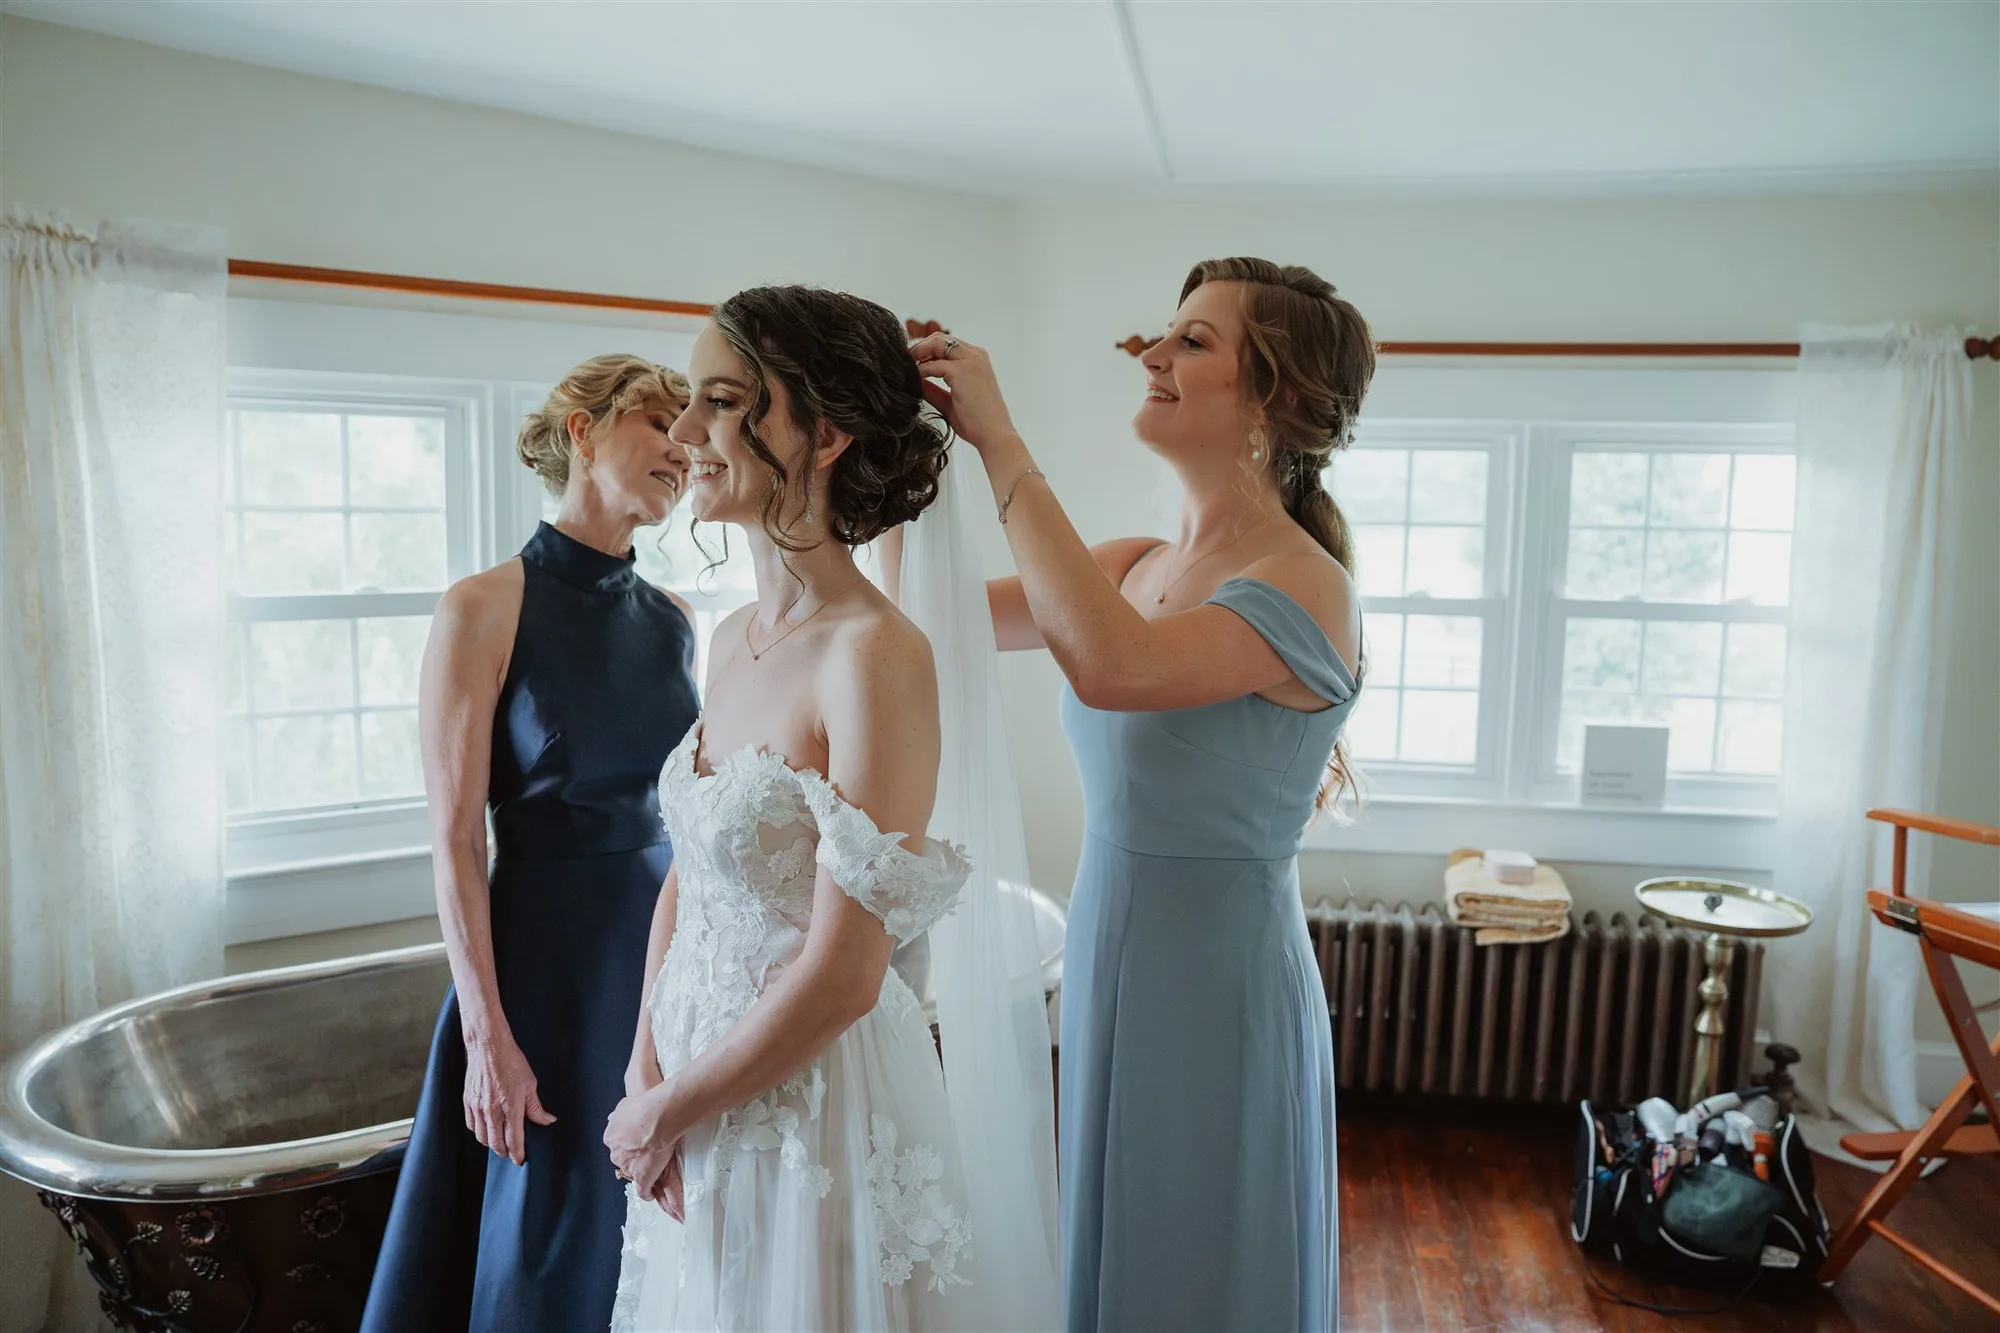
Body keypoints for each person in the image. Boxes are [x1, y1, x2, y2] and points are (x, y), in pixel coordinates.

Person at [910, 256, 1371, 1332]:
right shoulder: (1127, 563)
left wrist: (1002, 443)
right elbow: (926, 622)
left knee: (1197, 1255)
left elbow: (1113, 668)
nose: (1153, 356)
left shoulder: (1306, 586)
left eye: (1192, 342)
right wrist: (886, 441)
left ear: (1279, 399)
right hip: (1115, 947)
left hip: (1217, 983)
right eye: (1165, 335)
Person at [604, 284, 1058, 1332]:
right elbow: (692, 872)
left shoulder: (876, 658)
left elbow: (851, 972)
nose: (683, 433)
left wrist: (669, 1107)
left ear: (825, 433)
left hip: (806, 1113)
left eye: (720, 402)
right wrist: (645, 1062)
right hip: (689, 1088)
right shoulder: (728, 639)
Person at [361, 355, 701, 1333]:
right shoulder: (482, 604)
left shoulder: (675, 621)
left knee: (658, 1215)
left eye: (693, 432)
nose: (683, 449)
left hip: (665, 953)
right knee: (552, 1240)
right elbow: (455, 838)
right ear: (585, 432)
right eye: (658, 423)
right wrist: (486, 1036)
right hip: (545, 966)